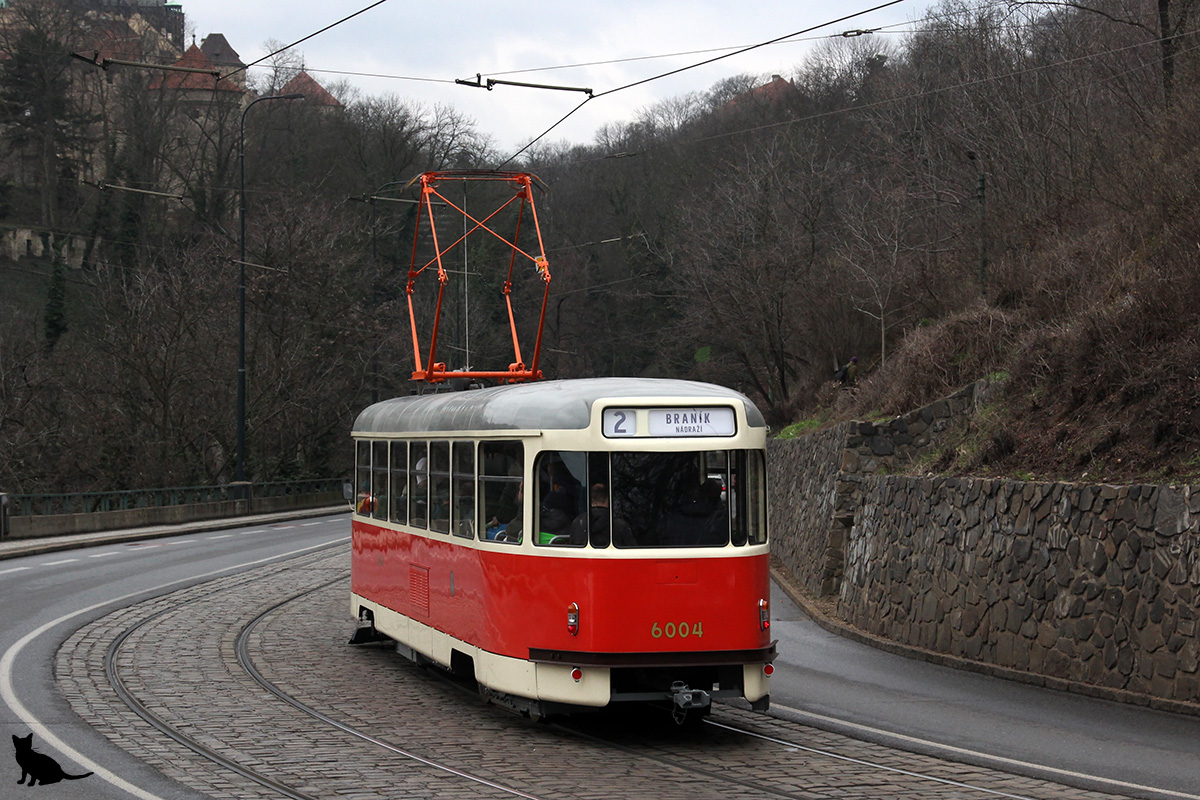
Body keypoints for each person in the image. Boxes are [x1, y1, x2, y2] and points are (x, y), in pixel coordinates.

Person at [567, 483, 633, 548]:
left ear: (590, 499)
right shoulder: (620, 525)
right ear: (608, 499)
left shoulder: (578, 523)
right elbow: (631, 550)